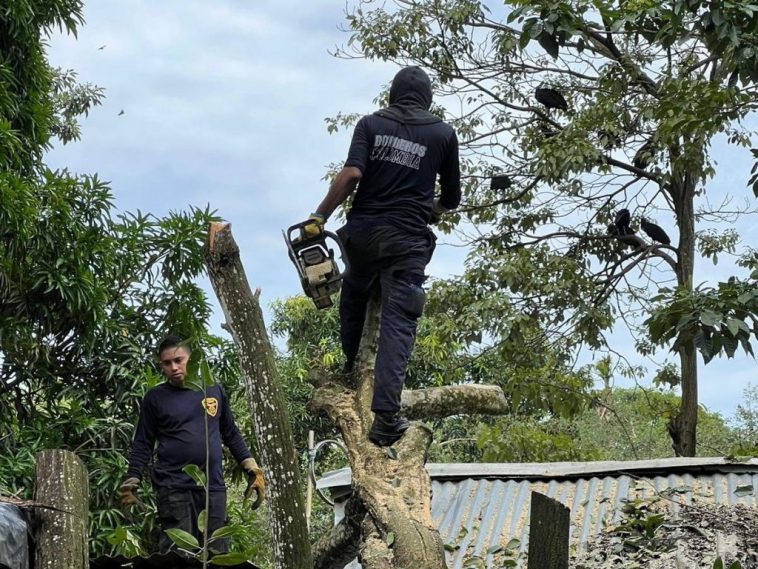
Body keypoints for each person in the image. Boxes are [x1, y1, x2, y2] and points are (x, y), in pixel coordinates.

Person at [306, 66, 461, 447]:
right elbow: (452, 199)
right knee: (399, 318)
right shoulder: (443, 134)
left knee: (354, 295)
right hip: (405, 242)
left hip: (362, 235)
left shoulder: (369, 125)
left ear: (392, 96)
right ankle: (387, 417)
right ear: (427, 99)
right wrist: (431, 209)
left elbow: (351, 174)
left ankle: (349, 371)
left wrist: (318, 216)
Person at [118, 335, 264, 554]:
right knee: (179, 555)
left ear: (192, 359)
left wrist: (252, 469)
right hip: (173, 487)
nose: (174, 367)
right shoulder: (155, 398)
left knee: (216, 554)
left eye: (179, 360)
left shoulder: (213, 391)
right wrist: (131, 480)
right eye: (167, 363)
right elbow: (143, 443)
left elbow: (231, 433)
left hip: (212, 487)